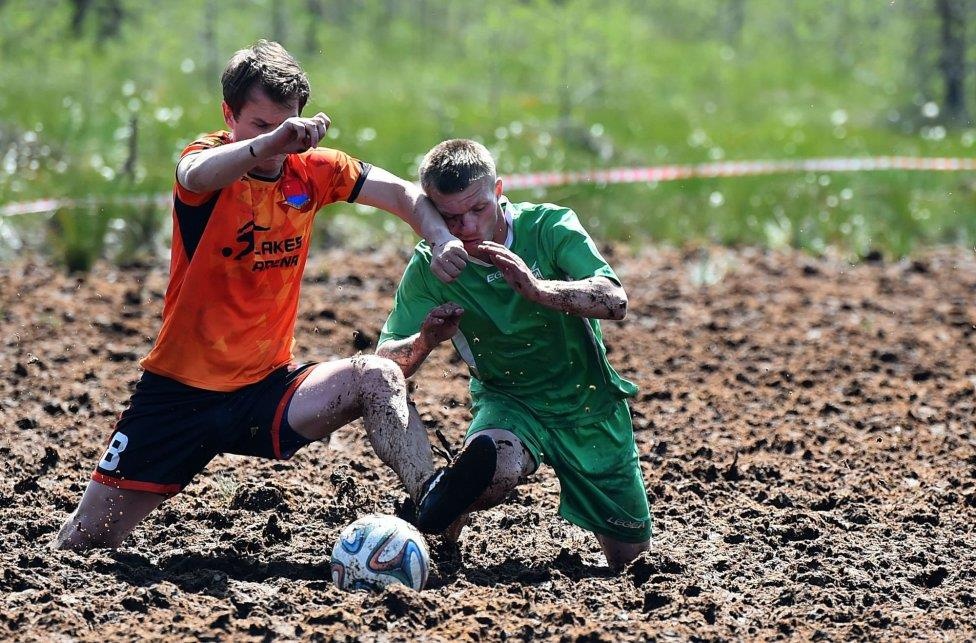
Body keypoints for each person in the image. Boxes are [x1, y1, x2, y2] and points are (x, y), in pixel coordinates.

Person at [55, 40, 473, 550]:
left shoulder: (313, 169)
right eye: (261, 125)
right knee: (84, 543)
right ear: (229, 116)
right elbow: (193, 174)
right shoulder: (208, 161)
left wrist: (442, 238)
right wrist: (266, 144)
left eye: (288, 126)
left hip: (267, 389)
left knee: (378, 375)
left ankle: (435, 508)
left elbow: (405, 195)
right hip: (179, 394)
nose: (280, 143)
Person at [376, 139, 651, 570]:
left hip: (589, 402)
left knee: (631, 561)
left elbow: (615, 300)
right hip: (509, 401)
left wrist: (540, 290)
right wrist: (427, 339)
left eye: (478, 209)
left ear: (499, 190)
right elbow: (386, 366)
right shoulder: (431, 266)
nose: (466, 225)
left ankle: (439, 506)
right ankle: (439, 523)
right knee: (493, 468)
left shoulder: (550, 227)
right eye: (450, 217)